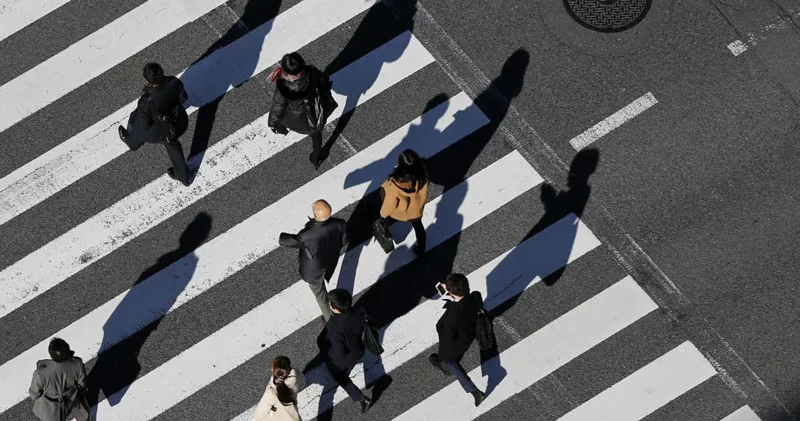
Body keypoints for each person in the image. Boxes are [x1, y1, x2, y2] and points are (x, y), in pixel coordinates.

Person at [117, 62, 192, 186]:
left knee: (138, 120)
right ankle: (183, 177)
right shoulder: (174, 82)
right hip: (180, 122)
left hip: (161, 133)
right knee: (173, 145)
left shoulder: (146, 101)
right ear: (162, 72)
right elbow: (183, 98)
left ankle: (132, 143)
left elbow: (143, 126)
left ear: (147, 80)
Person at [279, 200, 348, 321]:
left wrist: (281, 237)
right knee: (321, 291)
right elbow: (344, 240)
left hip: (314, 270)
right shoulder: (340, 224)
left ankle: (330, 320)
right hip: (329, 261)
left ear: (315, 215)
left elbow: (293, 241)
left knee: (320, 295)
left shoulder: (307, 235)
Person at [267, 52, 337, 169]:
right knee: (316, 137)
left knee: (281, 120)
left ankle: (281, 129)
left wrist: (272, 123)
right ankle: (315, 158)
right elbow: (323, 80)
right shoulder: (311, 72)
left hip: (297, 118)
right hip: (313, 115)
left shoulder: (283, 87)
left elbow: (278, 107)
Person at [429, 273, 486, 406]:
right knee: (444, 361)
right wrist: (452, 294)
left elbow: (442, 330)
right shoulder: (474, 297)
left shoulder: (451, 318)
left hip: (455, 344)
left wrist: (451, 299)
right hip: (469, 334)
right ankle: (445, 367)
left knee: (448, 362)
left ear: (452, 293)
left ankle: (474, 391)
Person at [324, 289, 372, 413]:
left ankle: (361, 398)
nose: (329, 305)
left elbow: (340, 354)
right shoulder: (359, 311)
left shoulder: (335, 327)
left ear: (336, 309)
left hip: (348, 356)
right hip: (359, 349)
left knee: (339, 375)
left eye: (330, 304)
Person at [378, 149, 429, 256]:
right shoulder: (422, 172)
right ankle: (421, 249)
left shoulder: (394, 185)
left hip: (400, 212)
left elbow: (389, 205)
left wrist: (382, 216)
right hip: (416, 208)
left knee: (383, 214)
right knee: (419, 228)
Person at [29, 338, 90, 421]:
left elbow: (34, 394)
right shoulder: (78, 365)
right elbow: (82, 385)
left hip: (48, 409)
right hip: (69, 402)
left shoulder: (40, 373)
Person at [253, 356, 307, 421]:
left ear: (273, 370)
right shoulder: (296, 374)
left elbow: (259, 414)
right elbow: (302, 383)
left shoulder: (271, 391)